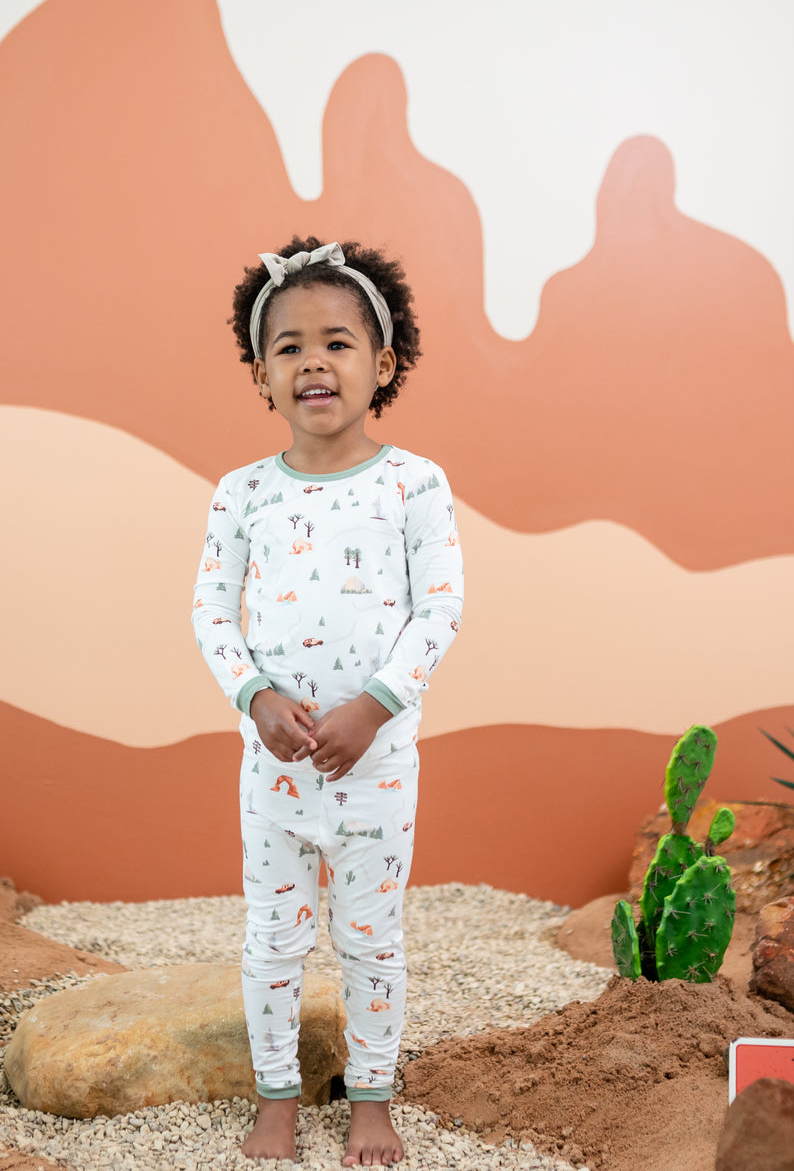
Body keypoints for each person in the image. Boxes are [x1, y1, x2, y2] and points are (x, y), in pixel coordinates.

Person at [191, 237, 464, 1165]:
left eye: (339, 343)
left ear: (382, 364)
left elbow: (441, 610)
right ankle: (275, 1097)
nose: (315, 361)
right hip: (274, 773)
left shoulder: (413, 485)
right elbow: (209, 612)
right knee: (272, 938)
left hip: (376, 767)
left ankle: (372, 1102)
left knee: (369, 940)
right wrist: (256, 694)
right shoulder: (243, 495)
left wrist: (377, 704)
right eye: (290, 346)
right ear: (260, 373)